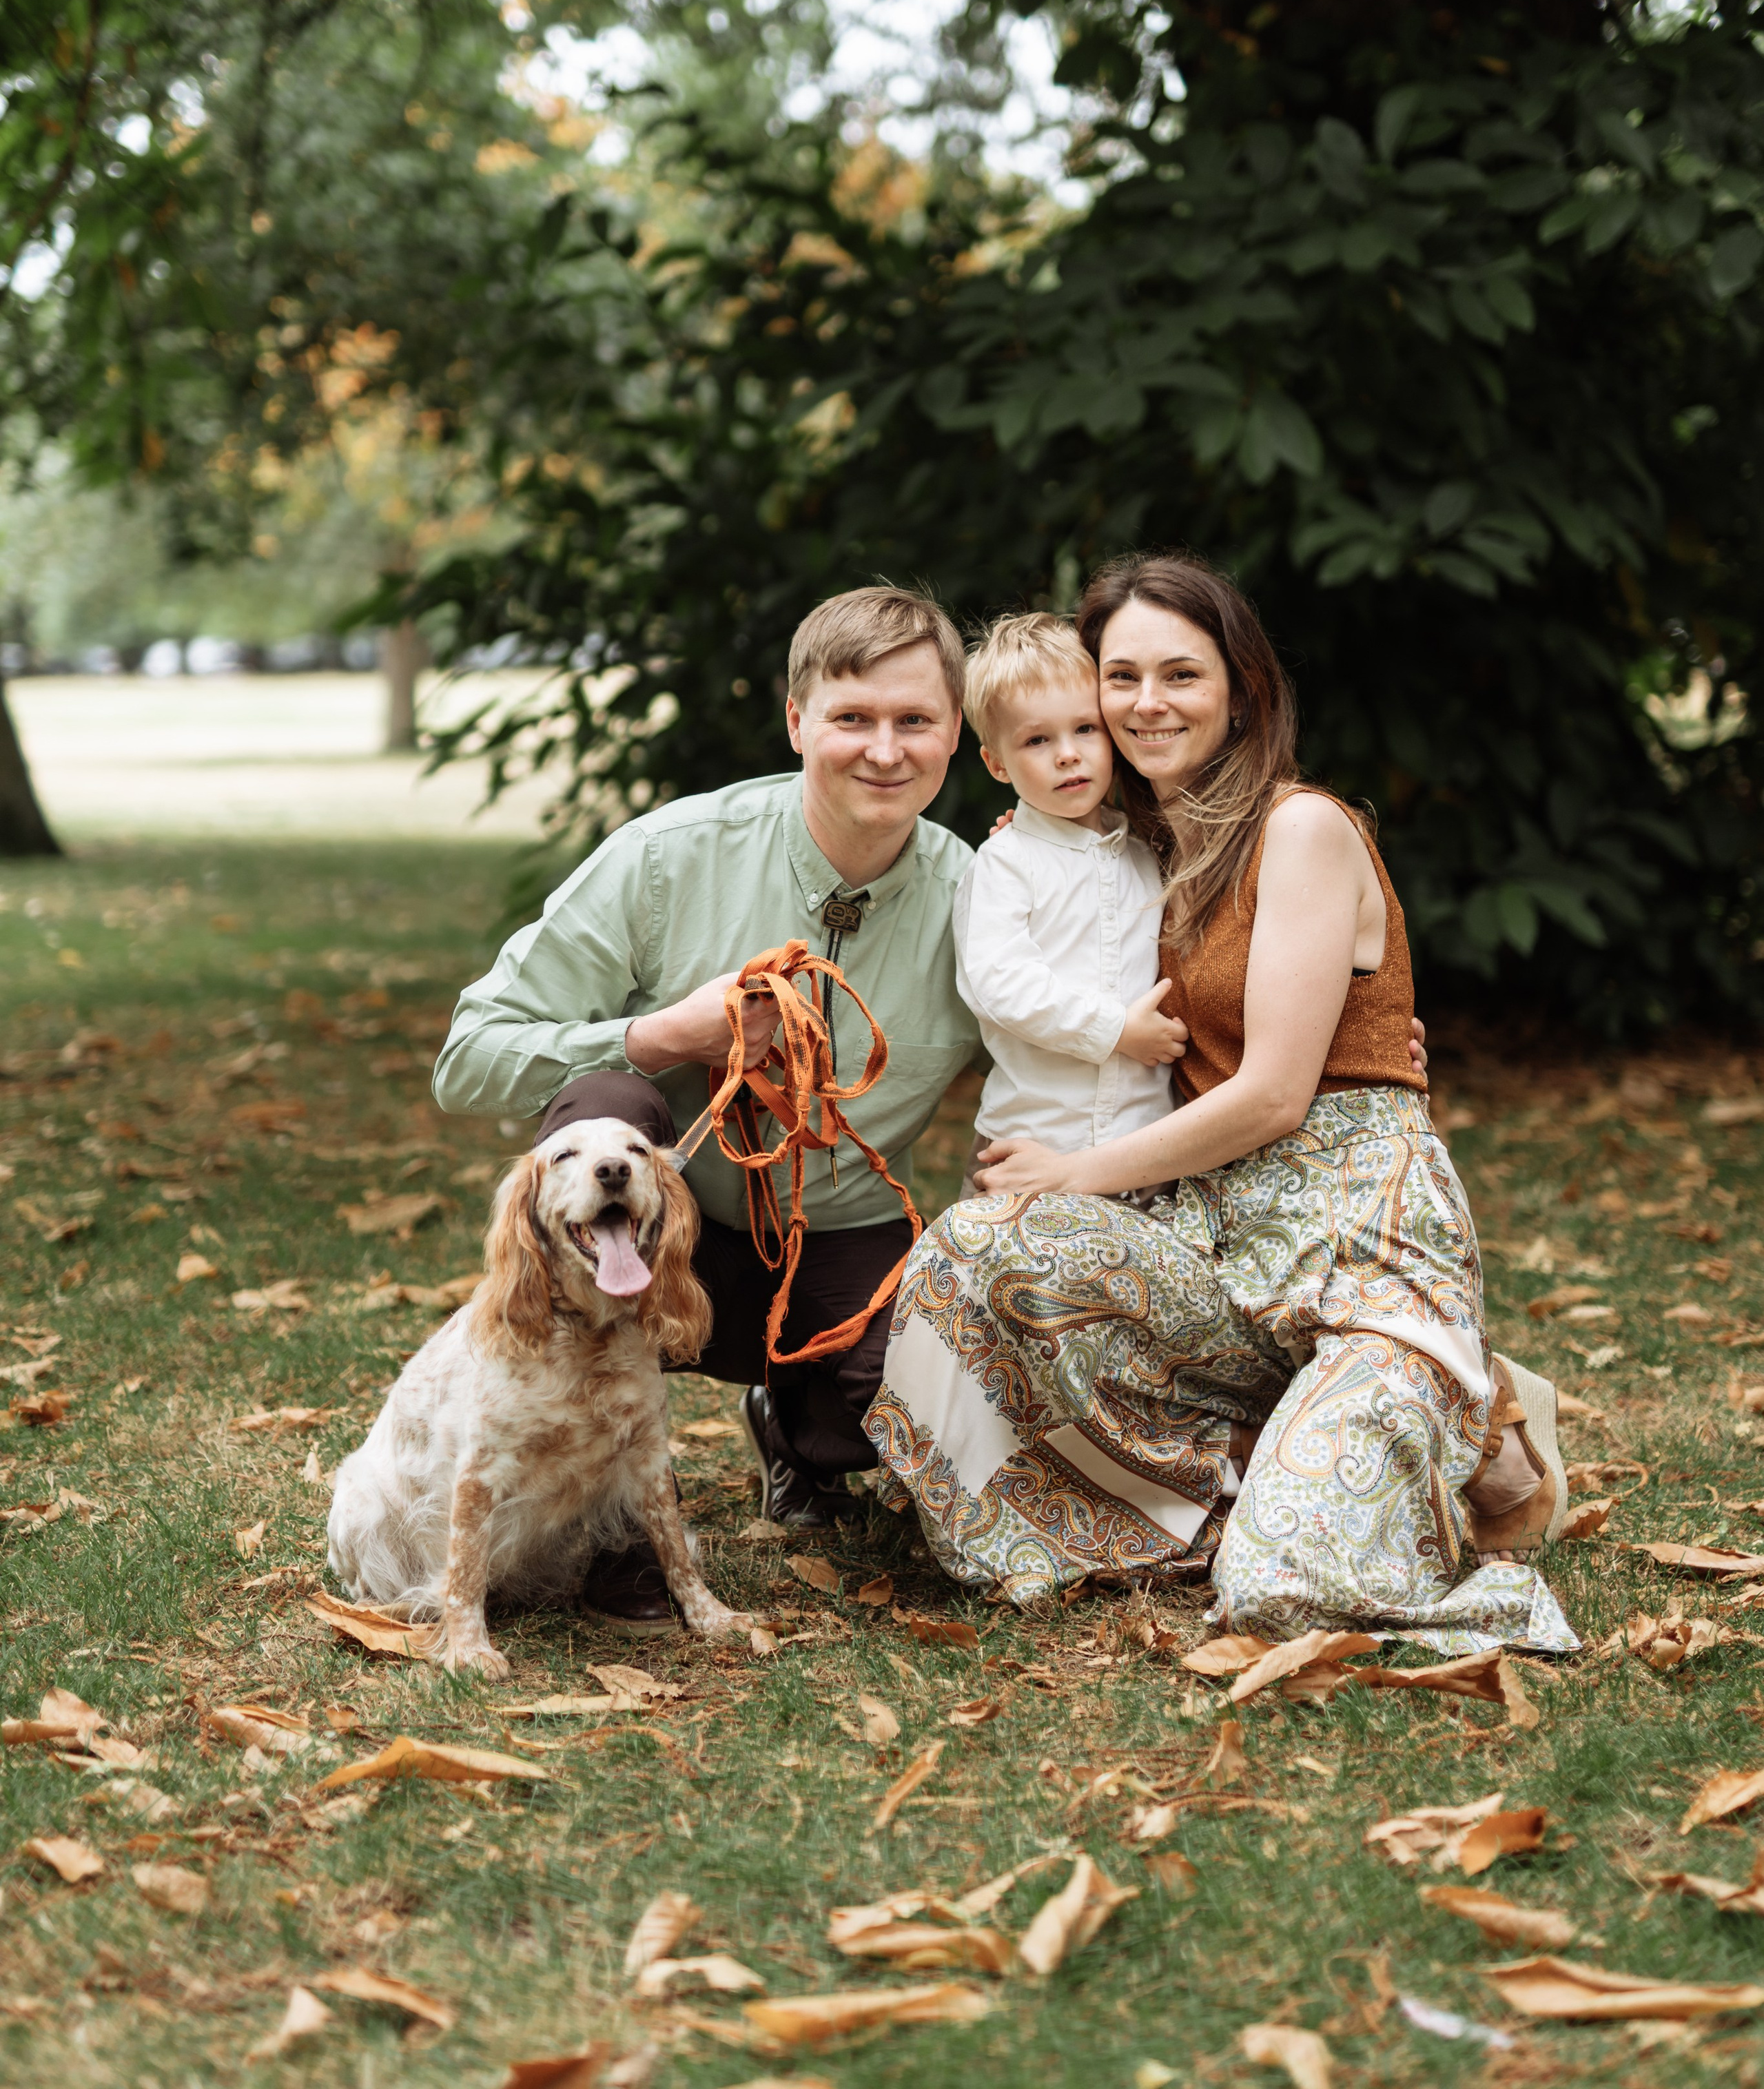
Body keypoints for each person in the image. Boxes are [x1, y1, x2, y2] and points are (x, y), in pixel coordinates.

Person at [868, 553, 1575, 1656]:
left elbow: (1276, 1094)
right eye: (1122, 676)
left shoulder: (1299, 827)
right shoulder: (1143, 844)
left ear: (1242, 688)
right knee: (975, 1249)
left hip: (1351, 1242)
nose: (1147, 703)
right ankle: (1309, 1442)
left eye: (1182, 675)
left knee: (1284, 1589)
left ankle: (1452, 1409)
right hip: (1217, 1235)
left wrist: (1076, 1171)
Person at [431, 586, 986, 1619]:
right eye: (852, 718)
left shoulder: (983, 896)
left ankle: (802, 1427)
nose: (885, 749)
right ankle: (606, 1523)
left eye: (915, 720)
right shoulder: (667, 855)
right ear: (796, 721)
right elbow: (468, 1059)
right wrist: (665, 1034)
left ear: (957, 729)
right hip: (643, 1243)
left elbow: (1082, 1045)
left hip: (837, 1237)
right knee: (608, 1096)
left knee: (916, 1412)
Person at [952, 613, 1180, 1197]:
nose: (1068, 755)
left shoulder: (1148, 853)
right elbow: (999, 982)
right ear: (997, 764)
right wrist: (1115, 1030)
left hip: (1143, 1148)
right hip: (1030, 1144)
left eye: (1086, 729)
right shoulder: (1006, 862)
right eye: (1037, 740)